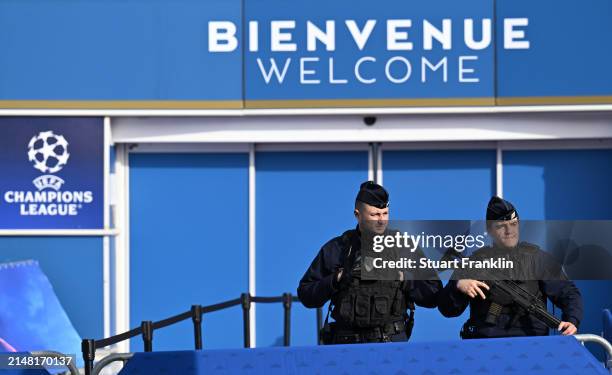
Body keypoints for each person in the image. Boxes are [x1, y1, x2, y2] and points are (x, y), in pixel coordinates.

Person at [297, 181, 442, 344]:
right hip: (346, 345)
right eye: (374, 215)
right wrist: (337, 278)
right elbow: (306, 294)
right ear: (357, 214)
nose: (381, 220)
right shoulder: (339, 248)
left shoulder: (404, 247)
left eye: (385, 213)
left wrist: (403, 278)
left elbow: (434, 295)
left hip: (390, 344)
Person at [437, 196, 583, 338]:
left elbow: (568, 293)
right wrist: (458, 286)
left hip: (532, 343)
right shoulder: (474, 262)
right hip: (485, 346)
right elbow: (447, 309)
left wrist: (572, 320)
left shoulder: (536, 258)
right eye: (501, 226)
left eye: (513, 224)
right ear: (489, 230)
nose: (509, 231)